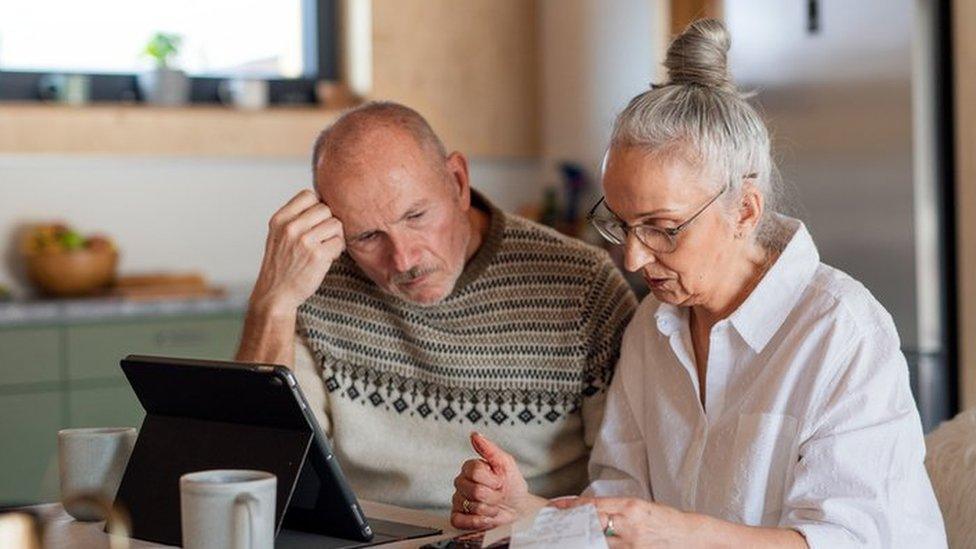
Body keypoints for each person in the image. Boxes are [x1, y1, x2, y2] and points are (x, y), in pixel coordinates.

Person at [449, 19, 947, 547]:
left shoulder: (842, 331)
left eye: (662, 229)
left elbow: (849, 540)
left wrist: (676, 531)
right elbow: (622, 511)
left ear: (745, 211)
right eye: (620, 223)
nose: (635, 258)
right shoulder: (652, 326)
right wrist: (526, 512)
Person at [235, 101, 637, 511]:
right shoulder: (316, 282)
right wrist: (273, 301)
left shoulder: (583, 284)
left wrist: (528, 514)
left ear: (458, 182)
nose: (404, 260)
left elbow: (628, 493)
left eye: (416, 216)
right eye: (368, 236)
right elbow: (256, 473)